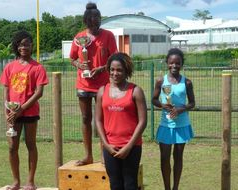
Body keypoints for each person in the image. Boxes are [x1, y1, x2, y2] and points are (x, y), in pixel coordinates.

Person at [69, 2, 117, 166]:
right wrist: (79, 65)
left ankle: (105, 156)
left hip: (102, 85)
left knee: (102, 120)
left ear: (100, 19)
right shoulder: (79, 37)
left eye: (97, 18)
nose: (94, 21)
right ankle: (88, 156)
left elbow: (114, 59)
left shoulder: (108, 36)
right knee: (85, 118)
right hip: (83, 84)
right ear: (85, 20)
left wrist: (102, 68)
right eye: (91, 19)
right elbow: (72, 58)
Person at [0, 30, 49, 190]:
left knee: (31, 145)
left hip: (30, 113)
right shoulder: (9, 67)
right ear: (16, 46)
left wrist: (22, 109)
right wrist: (7, 111)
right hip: (12, 114)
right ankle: (16, 182)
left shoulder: (38, 68)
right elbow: (6, 91)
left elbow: (39, 93)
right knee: (12, 147)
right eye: (21, 44)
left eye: (27, 44)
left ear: (31, 46)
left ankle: (30, 182)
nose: (24, 47)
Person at [95, 52, 147, 190]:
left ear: (126, 71)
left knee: (130, 184)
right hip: (110, 147)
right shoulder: (102, 91)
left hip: (131, 147)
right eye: (112, 69)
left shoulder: (136, 91)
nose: (115, 73)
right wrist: (106, 145)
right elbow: (98, 120)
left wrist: (129, 146)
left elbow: (143, 122)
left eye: (119, 70)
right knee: (115, 184)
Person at [152, 48, 195, 190]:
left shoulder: (187, 82)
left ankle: (175, 187)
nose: (174, 66)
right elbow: (154, 100)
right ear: (167, 63)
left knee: (178, 158)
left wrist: (181, 108)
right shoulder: (160, 81)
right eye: (171, 63)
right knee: (164, 158)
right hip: (166, 124)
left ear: (182, 64)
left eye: (178, 63)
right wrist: (163, 105)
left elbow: (192, 103)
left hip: (181, 125)